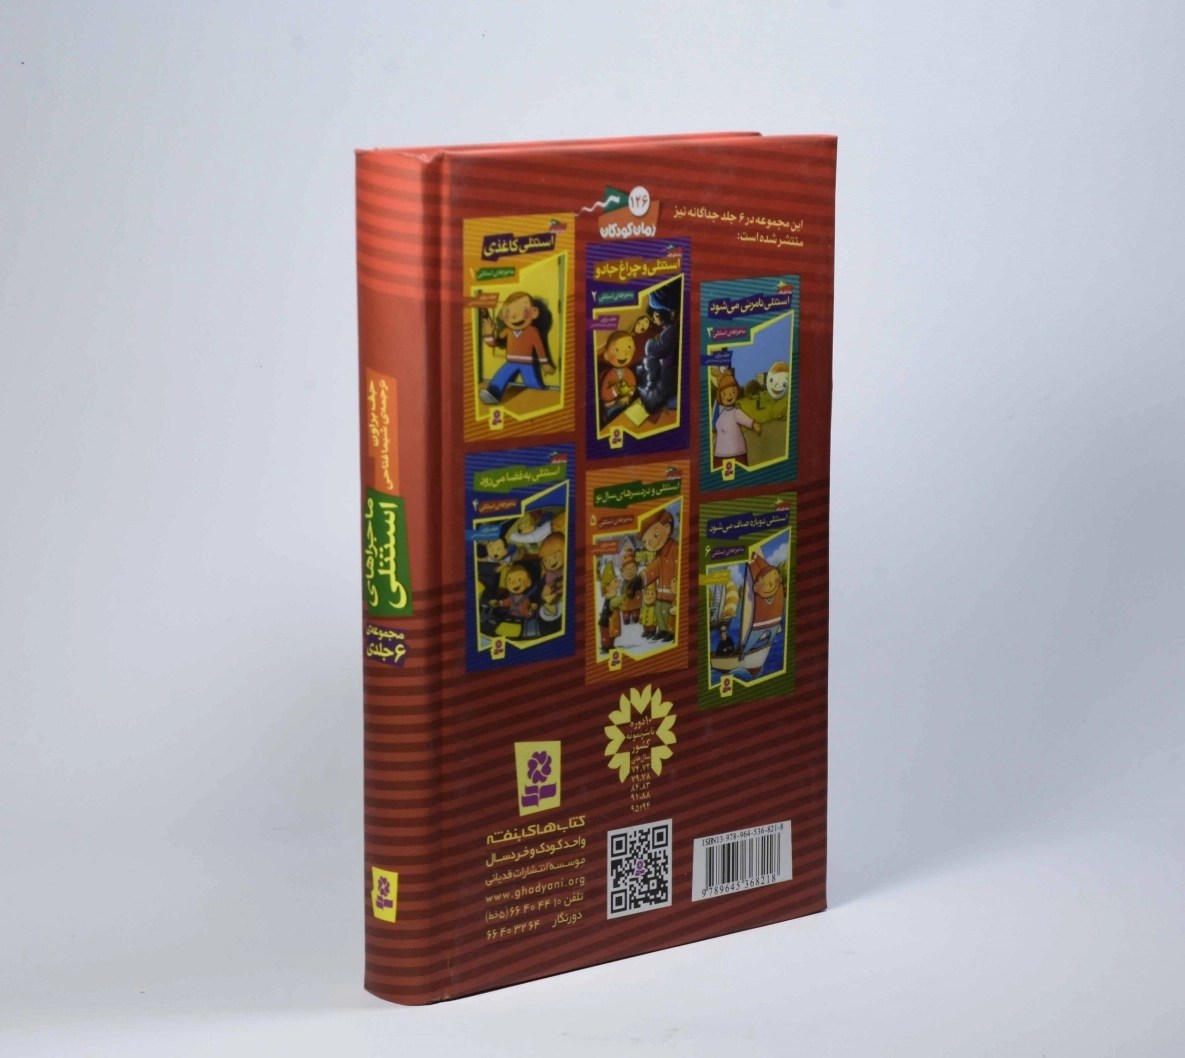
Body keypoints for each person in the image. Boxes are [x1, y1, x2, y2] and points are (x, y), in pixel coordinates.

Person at [478, 292, 555, 405]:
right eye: (508, 311)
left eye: (524, 310)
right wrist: (489, 334)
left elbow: (539, 347)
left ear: (534, 313)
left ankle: (541, 399)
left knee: (532, 382)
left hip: (527, 363)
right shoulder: (508, 331)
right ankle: (493, 393)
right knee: (501, 376)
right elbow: (495, 343)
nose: (514, 316)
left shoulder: (532, 331)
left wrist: (545, 363)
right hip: (511, 362)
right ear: (502, 315)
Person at [641, 509, 678, 643]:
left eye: (655, 535)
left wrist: (677, 584)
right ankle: (662, 630)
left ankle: (671, 631)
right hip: (661, 592)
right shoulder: (660, 554)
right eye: (645, 541)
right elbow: (653, 569)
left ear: (667, 529)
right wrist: (640, 579)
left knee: (668, 612)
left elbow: (679, 567)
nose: (649, 543)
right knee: (658, 610)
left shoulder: (675, 548)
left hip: (672, 592)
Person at [711, 368, 760, 464]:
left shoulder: (736, 412)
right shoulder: (720, 416)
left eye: (733, 392)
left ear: (736, 392)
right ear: (720, 395)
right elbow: (718, 429)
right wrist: (714, 441)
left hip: (736, 452)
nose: (729, 396)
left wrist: (754, 424)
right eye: (725, 393)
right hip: (721, 453)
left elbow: (744, 419)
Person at [598, 331, 637, 424]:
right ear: (607, 355)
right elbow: (605, 396)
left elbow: (633, 386)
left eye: (628, 348)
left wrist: (628, 396)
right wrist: (617, 400)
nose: (624, 353)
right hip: (612, 407)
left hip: (626, 403)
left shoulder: (629, 373)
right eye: (617, 350)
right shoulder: (609, 376)